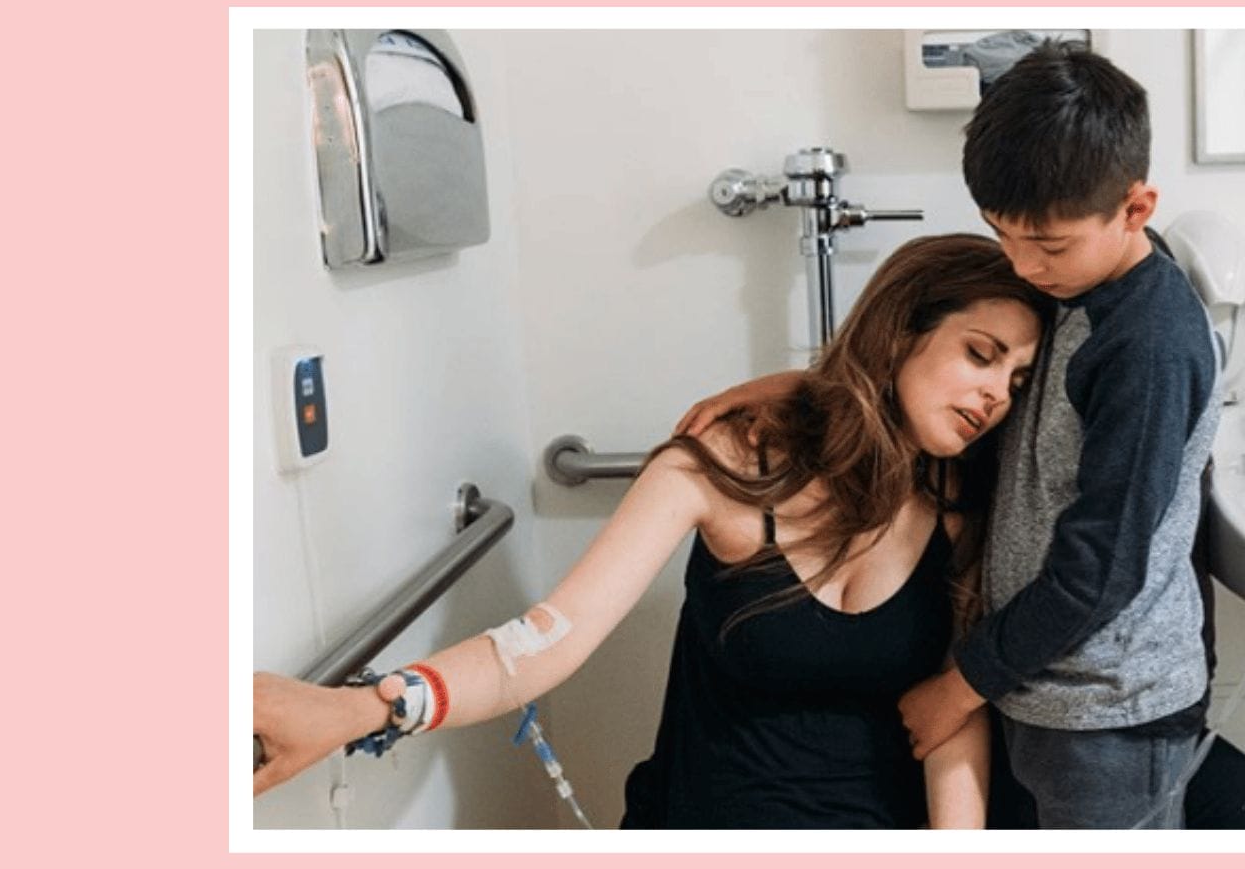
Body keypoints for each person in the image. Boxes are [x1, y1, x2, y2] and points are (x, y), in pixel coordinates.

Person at [253, 234, 1052, 829]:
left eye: (1016, 381)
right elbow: (540, 646)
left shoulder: (962, 502)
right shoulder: (720, 466)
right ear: (903, 331)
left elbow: (953, 726)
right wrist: (366, 710)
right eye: (979, 355)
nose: (996, 399)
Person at [683, 43, 1223, 828]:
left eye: (1048, 246)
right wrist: (797, 388)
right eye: (1003, 235)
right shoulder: (1083, 281)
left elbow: (1098, 570)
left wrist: (958, 686)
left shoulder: (1149, 343)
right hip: (1042, 686)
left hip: (1110, 709)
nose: (1022, 266)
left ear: (1136, 210)